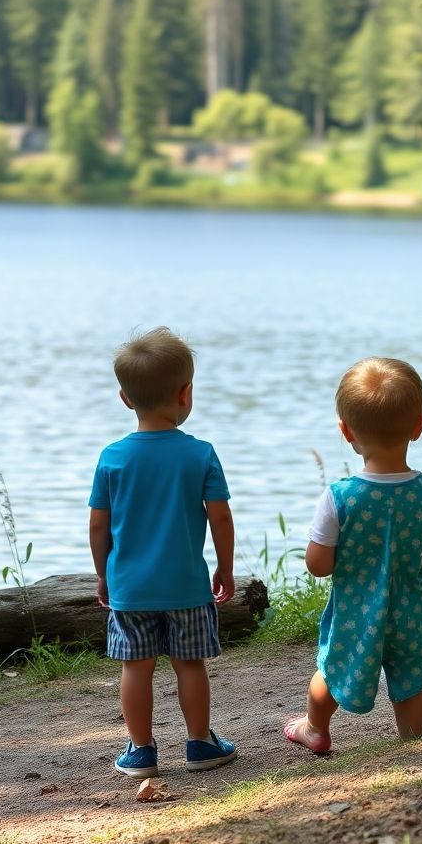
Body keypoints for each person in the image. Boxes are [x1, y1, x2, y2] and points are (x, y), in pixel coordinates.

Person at [284, 357, 422, 754]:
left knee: (333, 671)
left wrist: (354, 560)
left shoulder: (340, 497)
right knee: (409, 683)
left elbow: (318, 564)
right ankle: (413, 743)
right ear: (419, 426)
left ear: (346, 431)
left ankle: (315, 728)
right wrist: (407, 556)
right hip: (412, 610)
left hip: (355, 612)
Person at [89, 327, 238, 778]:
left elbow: (98, 525)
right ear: (185, 393)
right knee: (189, 664)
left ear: (125, 398)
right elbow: (220, 518)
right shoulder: (200, 454)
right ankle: (200, 744)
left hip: (131, 589)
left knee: (136, 668)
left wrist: (103, 574)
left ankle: (140, 751)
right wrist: (225, 568)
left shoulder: (113, 458)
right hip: (186, 586)